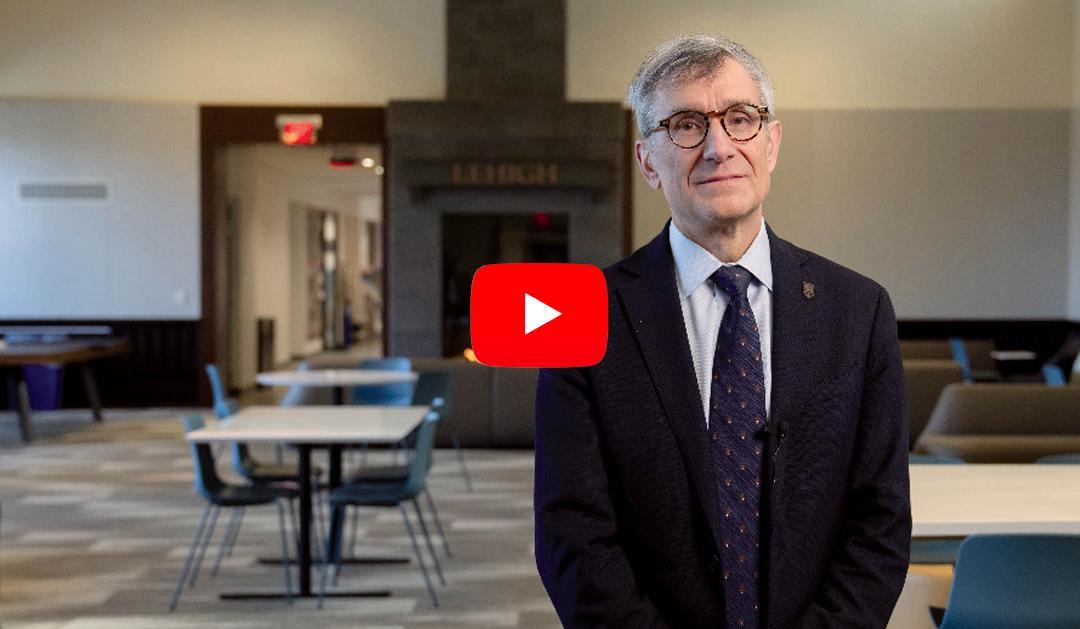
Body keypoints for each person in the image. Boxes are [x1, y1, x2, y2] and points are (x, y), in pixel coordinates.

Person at [534, 34, 910, 628]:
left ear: (772, 143)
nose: (718, 147)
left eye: (741, 119)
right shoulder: (584, 315)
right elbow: (573, 537)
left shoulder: (857, 311)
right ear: (647, 162)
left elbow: (880, 524)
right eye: (684, 125)